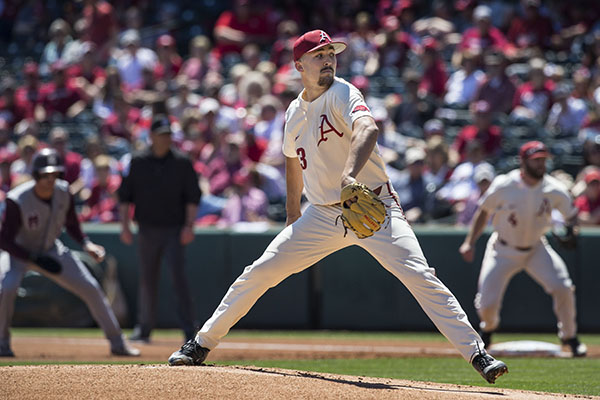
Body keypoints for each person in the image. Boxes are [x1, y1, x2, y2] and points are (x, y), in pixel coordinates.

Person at [168, 29, 508, 384]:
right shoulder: (294, 112)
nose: (328, 59)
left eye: (331, 53)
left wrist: (349, 175)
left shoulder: (344, 92)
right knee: (260, 271)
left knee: (420, 275)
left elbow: (368, 129)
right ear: (299, 65)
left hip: (373, 203)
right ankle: (201, 344)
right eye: (319, 55)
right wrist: (292, 214)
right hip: (321, 214)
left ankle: (477, 353)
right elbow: (291, 162)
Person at [0, 148, 139, 357]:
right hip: (19, 254)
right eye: (45, 174)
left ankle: (118, 343)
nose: (50, 179)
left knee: (91, 287)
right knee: (7, 288)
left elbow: (72, 224)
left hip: (51, 249)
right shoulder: (17, 198)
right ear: (36, 174)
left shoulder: (63, 191)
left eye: (54, 174)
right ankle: (2, 343)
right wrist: (31, 258)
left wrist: (86, 244)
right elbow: (5, 239)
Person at [459, 141, 587, 357]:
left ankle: (570, 337)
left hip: (537, 248)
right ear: (524, 161)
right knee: (487, 304)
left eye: (543, 160)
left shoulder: (554, 188)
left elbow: (571, 215)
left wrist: (572, 230)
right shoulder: (504, 184)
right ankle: (488, 329)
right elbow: (484, 211)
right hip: (502, 249)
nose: (540, 164)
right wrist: (469, 242)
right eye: (536, 160)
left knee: (563, 287)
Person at [117, 114, 201, 343]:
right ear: (151, 136)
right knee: (147, 279)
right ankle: (144, 329)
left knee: (178, 278)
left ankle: (189, 330)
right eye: (161, 135)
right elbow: (125, 197)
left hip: (174, 228)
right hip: (147, 229)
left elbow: (193, 197)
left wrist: (189, 226)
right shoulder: (138, 161)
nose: (166, 139)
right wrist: (124, 226)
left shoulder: (182, 162)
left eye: (168, 135)